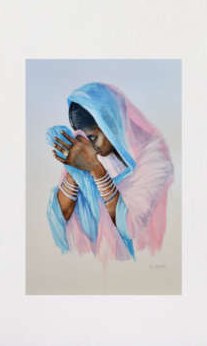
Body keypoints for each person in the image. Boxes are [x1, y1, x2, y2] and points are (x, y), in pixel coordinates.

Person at [45, 82, 174, 266]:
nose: (93, 149)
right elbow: (59, 216)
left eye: (94, 138)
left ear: (111, 125)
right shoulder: (95, 152)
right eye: (85, 139)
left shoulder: (154, 156)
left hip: (140, 265)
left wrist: (95, 169)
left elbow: (130, 226)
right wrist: (75, 169)